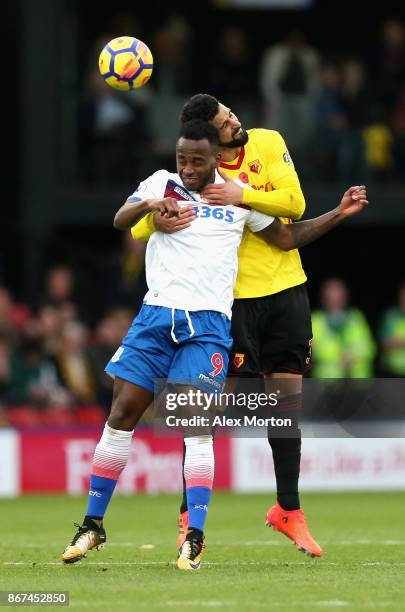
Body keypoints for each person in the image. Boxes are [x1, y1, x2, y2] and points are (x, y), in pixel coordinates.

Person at [62, 118, 367, 569]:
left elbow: (286, 237)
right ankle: (92, 524)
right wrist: (151, 207)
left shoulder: (235, 197)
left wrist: (337, 214)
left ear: (214, 159)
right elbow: (120, 219)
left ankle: (195, 535)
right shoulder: (161, 183)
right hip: (155, 318)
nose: (187, 168)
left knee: (196, 424)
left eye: (197, 160)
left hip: (207, 327)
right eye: (182, 159)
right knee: (121, 412)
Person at [311, 278, 376, 378]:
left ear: (345, 296)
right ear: (324, 297)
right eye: (331, 292)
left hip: (358, 382)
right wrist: (340, 357)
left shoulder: (356, 317)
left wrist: (353, 357)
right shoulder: (316, 320)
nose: (335, 297)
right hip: (328, 383)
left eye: (338, 292)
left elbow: (369, 347)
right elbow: (314, 349)